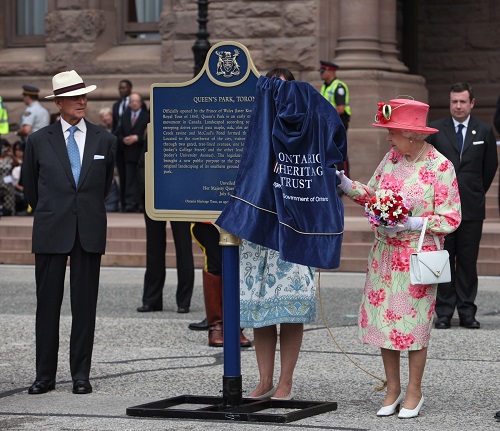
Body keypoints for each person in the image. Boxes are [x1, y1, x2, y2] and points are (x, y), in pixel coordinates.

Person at [337, 98, 461, 418]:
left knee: (414, 324)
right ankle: (392, 389)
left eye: (392, 132)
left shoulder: (440, 166)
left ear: (411, 133)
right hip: (384, 254)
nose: (388, 138)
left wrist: (415, 222)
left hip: (417, 256)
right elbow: (374, 194)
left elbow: (451, 217)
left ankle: (414, 391)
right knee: (385, 322)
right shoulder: (391, 158)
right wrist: (346, 185)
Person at [23, 70, 117, 395]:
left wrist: (81, 210)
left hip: (88, 231)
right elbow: (31, 191)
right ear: (59, 102)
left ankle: (80, 374)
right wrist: (55, 210)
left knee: (85, 306)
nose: (82, 101)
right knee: (47, 305)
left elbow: (103, 187)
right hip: (51, 229)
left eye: (84, 95)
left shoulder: (105, 140)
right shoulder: (37, 141)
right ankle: (44, 376)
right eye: (74, 96)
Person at [241, 68, 316, 401]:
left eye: (285, 91)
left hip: (292, 230)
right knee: (260, 308)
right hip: (257, 229)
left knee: (290, 308)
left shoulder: (307, 128)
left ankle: (285, 381)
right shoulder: (254, 128)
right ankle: (264, 379)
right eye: (274, 91)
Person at [427, 82, 498, 330]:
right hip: (442, 210)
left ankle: (467, 311)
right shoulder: (435, 129)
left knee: (468, 261)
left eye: (462, 101)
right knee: (444, 259)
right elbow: (429, 166)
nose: (458, 106)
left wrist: (475, 191)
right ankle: (444, 312)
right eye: (454, 101)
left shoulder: (484, 130)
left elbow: (489, 167)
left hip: (471, 208)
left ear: (472, 103)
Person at [136, 139, 196, 314]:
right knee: (154, 249)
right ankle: (151, 300)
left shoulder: (186, 136)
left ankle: (183, 302)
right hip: (154, 198)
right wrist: (147, 190)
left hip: (181, 198)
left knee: (184, 249)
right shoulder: (153, 134)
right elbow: (142, 165)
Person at [191, 222, 251, 348]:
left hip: (240, 213)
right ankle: (215, 325)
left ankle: (236, 325)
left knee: (241, 265)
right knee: (215, 265)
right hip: (208, 217)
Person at [116, 92, 149, 212]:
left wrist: (137, 138)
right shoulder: (124, 116)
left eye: (136, 101)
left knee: (141, 179)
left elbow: (149, 135)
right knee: (129, 180)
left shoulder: (147, 116)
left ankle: (141, 204)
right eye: (132, 101)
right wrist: (123, 139)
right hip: (128, 154)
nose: (134, 103)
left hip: (142, 154)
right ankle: (130, 205)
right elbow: (118, 132)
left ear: (140, 103)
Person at [319, 61, 351, 131]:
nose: (320, 74)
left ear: (330, 72)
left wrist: (325, 118)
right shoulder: (325, 86)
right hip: (328, 121)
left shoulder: (339, 86)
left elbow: (340, 109)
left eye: (322, 72)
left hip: (337, 121)